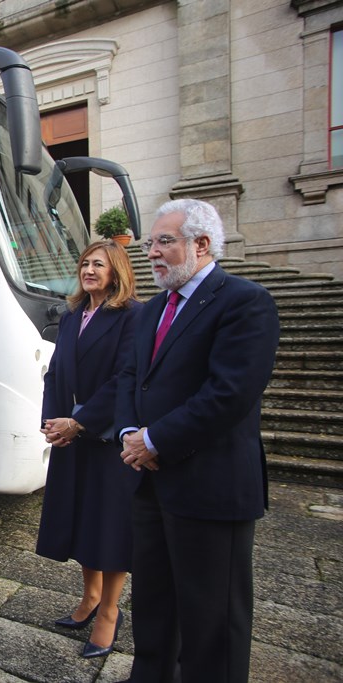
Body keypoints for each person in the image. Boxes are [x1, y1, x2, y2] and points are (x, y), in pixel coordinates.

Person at [116, 199, 279, 682]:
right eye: (150, 243)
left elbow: (229, 394)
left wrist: (155, 438)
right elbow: (130, 378)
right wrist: (129, 433)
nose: (152, 253)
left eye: (164, 241)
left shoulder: (244, 301)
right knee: (153, 607)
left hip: (211, 487)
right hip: (150, 485)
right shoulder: (149, 313)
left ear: (201, 244)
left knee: (213, 623)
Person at [36, 241, 141, 659]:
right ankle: (90, 596)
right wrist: (52, 423)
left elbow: (126, 378)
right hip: (71, 436)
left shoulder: (133, 316)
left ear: (116, 271)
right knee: (81, 520)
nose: (90, 270)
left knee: (109, 527)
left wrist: (80, 422)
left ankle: (110, 611)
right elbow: (55, 373)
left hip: (105, 439)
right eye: (85, 263)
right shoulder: (72, 316)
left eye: (99, 264)